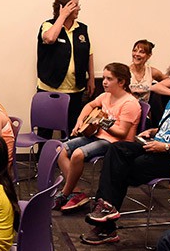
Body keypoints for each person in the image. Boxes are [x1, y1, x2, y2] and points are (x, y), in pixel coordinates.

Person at [80, 56, 170, 245]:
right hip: (156, 146)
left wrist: (166, 146)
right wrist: (155, 131)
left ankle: (106, 224)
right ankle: (106, 207)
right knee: (116, 149)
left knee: (123, 169)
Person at [55, 63, 141, 212]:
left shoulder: (130, 103)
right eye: (105, 78)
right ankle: (76, 190)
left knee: (77, 154)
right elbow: (89, 106)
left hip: (115, 143)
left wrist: (102, 123)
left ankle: (66, 193)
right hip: (98, 135)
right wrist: (80, 121)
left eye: (109, 79)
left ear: (121, 82)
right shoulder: (106, 96)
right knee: (59, 149)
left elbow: (122, 133)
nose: (104, 82)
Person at [37, 0, 96, 138]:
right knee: (45, 130)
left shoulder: (82, 29)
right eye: (75, 5)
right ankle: (42, 160)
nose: (79, 9)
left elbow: (89, 54)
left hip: (75, 89)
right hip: (50, 88)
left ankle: (68, 159)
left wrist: (92, 78)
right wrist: (61, 16)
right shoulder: (48, 25)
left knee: (72, 129)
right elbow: (50, 38)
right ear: (63, 7)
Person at [128, 40, 170, 128]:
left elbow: (169, 81)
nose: (137, 54)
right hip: (128, 110)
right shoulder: (125, 71)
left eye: (141, 52)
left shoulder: (152, 71)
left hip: (143, 112)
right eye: (135, 50)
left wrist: (152, 87)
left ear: (148, 56)